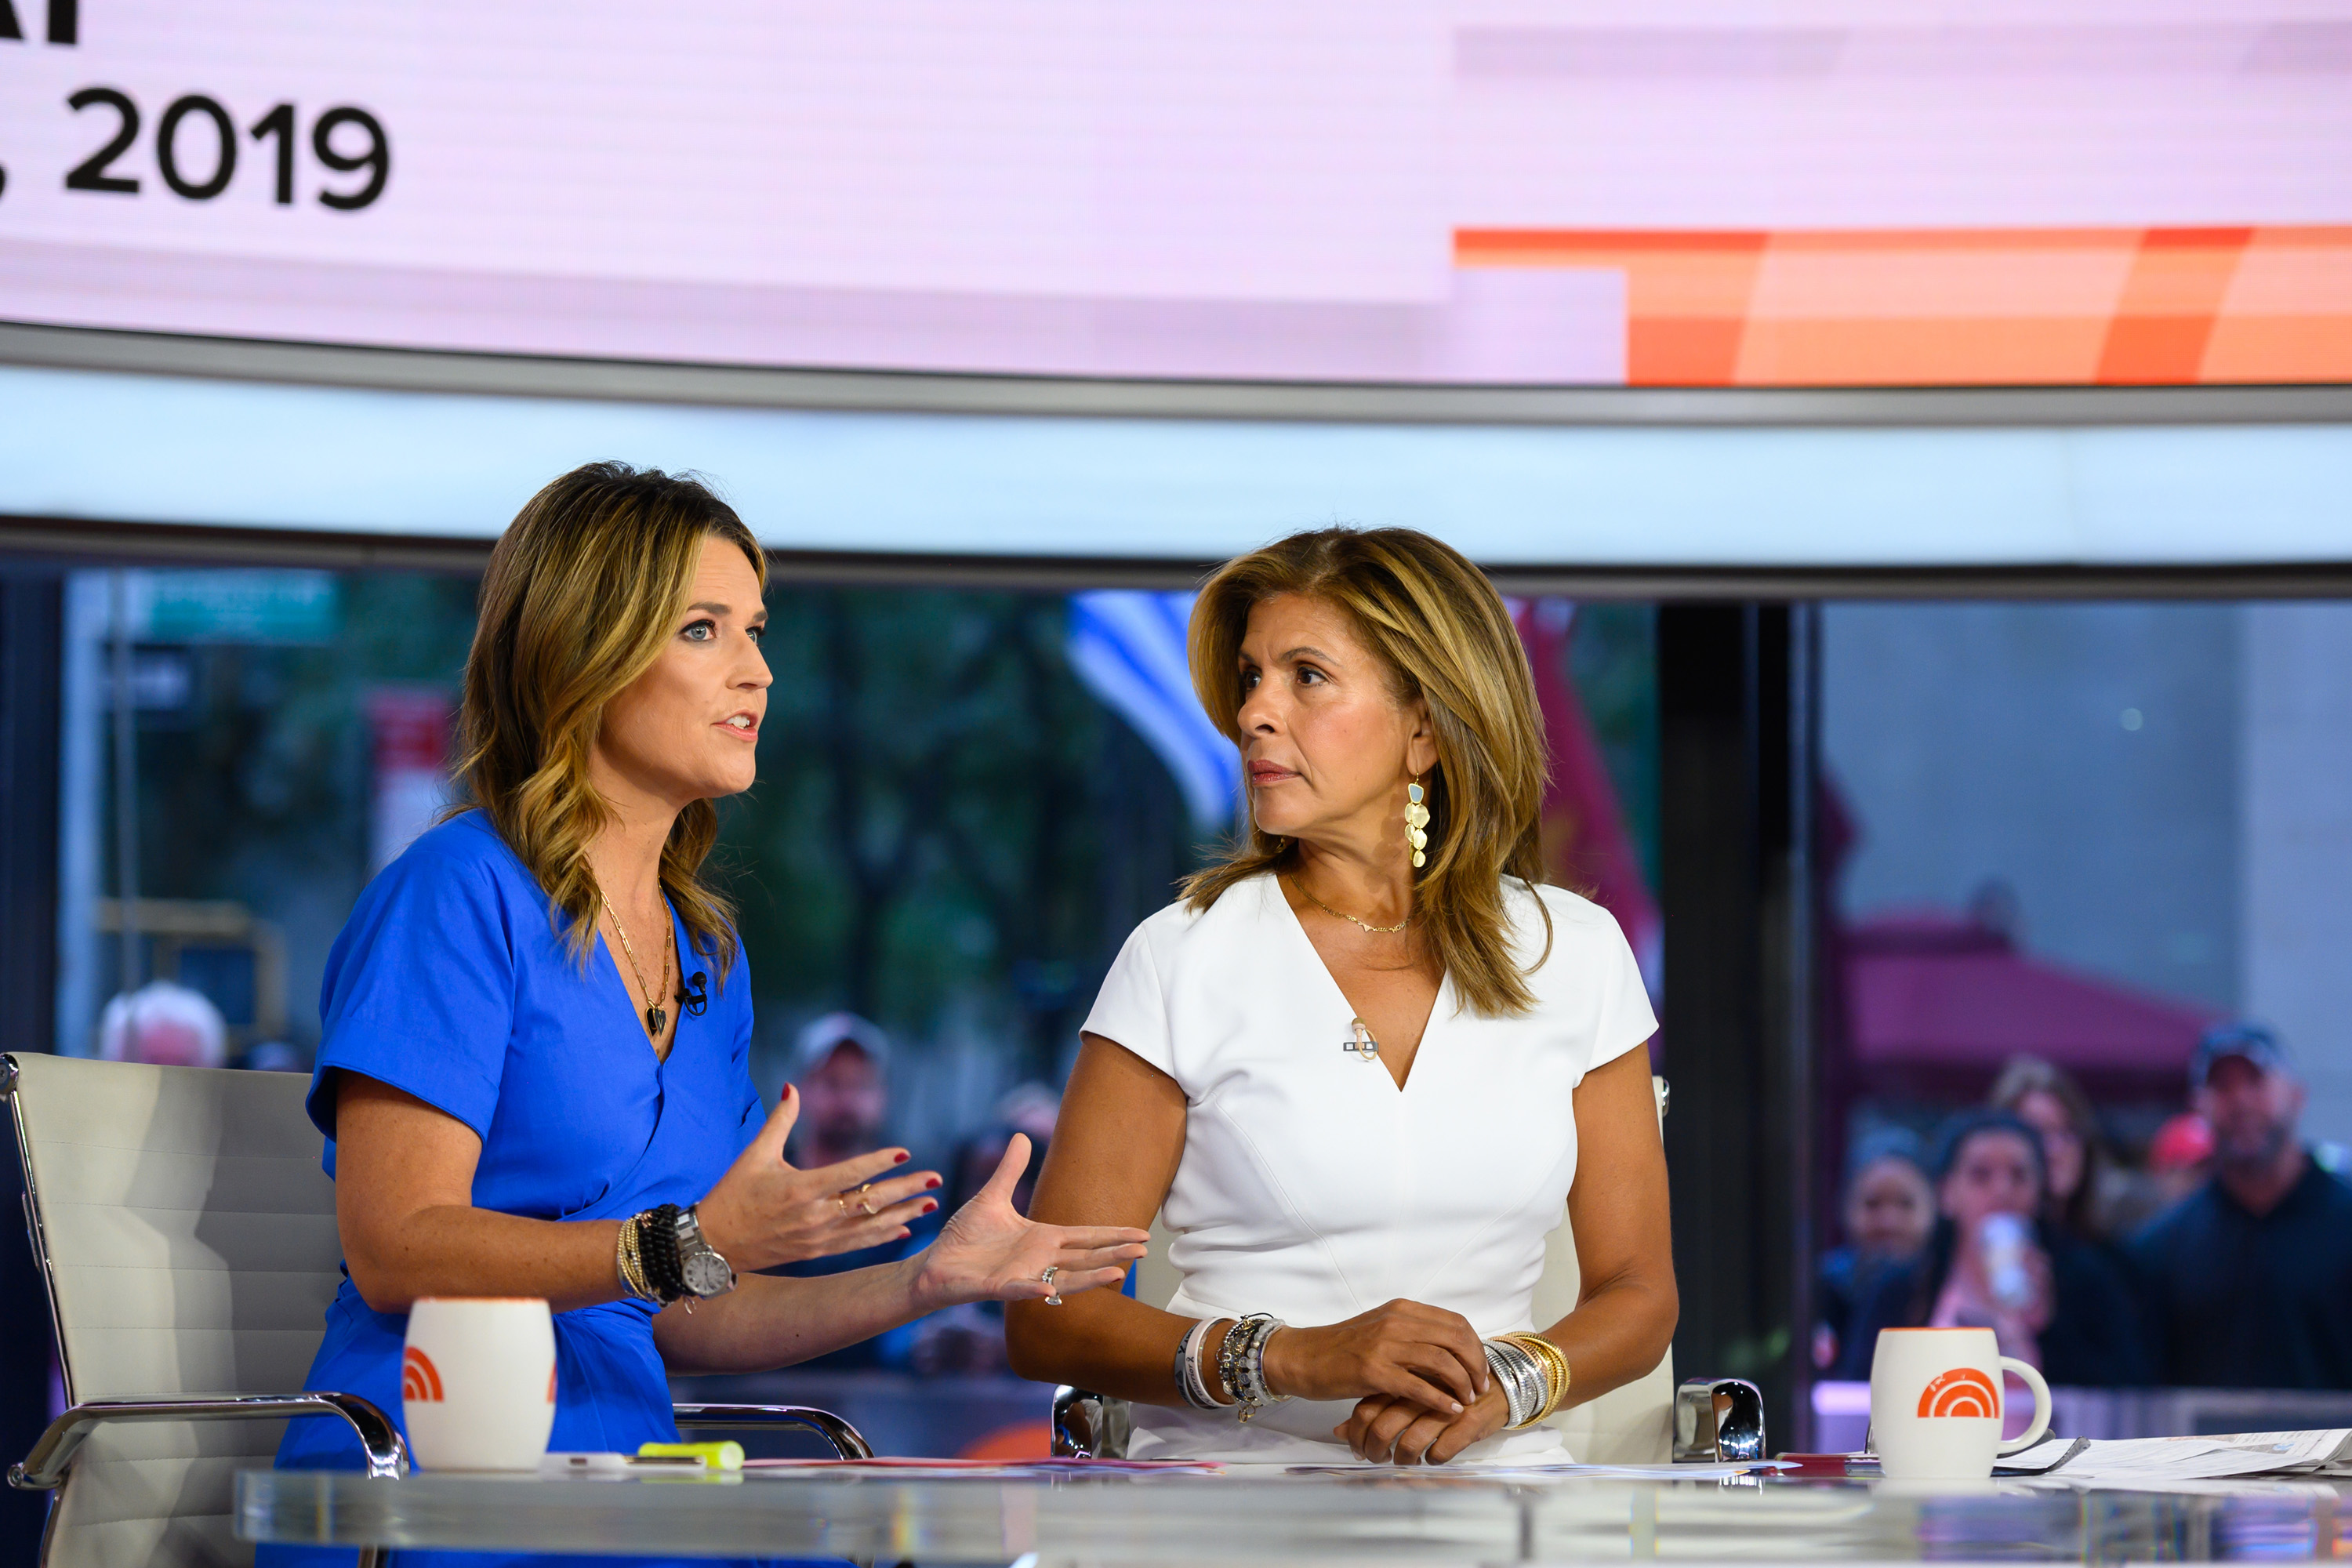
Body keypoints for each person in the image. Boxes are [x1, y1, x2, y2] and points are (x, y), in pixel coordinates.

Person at [269, 463, 1145, 1565]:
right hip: (432, 1489)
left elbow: (687, 1306)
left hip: (625, 1498)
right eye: (703, 629)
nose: (758, 670)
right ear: (584, 651)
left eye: (756, 631)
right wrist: (679, 1245)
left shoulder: (705, 954)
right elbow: (396, 1245)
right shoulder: (454, 894)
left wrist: (923, 1281)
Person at [1005, 527, 1675, 1467]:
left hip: (1497, 1491)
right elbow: (1047, 1312)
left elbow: (1640, 1292)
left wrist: (1504, 1384)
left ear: (1424, 729)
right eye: (1251, 677)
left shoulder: (1578, 951)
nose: (1254, 712)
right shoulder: (1178, 956)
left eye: (1307, 676)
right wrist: (1292, 1356)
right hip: (1230, 1499)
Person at [1838, 1109, 2150, 1388]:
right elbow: (1860, 1396)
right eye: (1981, 1175)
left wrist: (2049, 1329)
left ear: (2040, 1192)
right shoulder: (1902, 1289)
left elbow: (2126, 1393)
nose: (2002, 1191)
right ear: (1947, 1193)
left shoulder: (2086, 1284)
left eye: (2019, 1175)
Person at [2130, 1024, 2352, 1389]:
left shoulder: (2344, 1224)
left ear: (2297, 1095)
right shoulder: (2161, 1249)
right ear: (2198, 1106)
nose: (2240, 1100)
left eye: (2255, 1082)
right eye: (2222, 1087)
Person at [1813, 1130, 1933, 1373]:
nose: (1889, 1222)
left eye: (1906, 1204)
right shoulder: (1819, 1289)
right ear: (1844, 1208)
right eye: (1872, 1204)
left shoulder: (1948, 1292)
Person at [1989, 1055, 2124, 1242]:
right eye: (2037, 1132)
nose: (2055, 1149)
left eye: (2066, 1131)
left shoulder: (2109, 1254)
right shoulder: (1971, 1253)